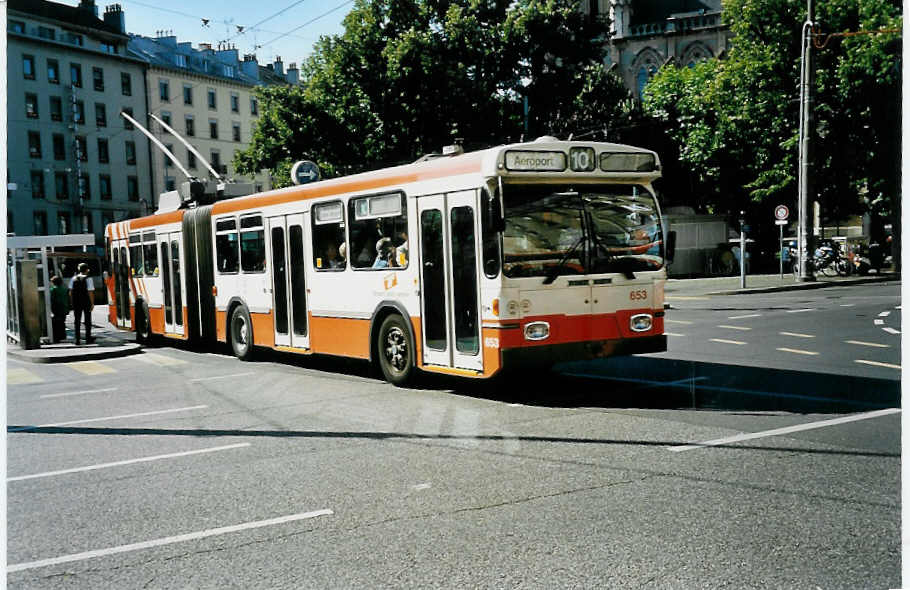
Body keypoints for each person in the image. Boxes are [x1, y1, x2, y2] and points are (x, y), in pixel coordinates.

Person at [69, 262, 95, 344]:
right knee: (87, 320)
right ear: (87, 270)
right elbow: (90, 292)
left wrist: (72, 302)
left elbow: (70, 292)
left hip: (76, 302)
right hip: (86, 301)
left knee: (77, 320)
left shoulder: (73, 278)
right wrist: (92, 303)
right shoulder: (88, 278)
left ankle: (77, 340)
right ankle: (88, 338)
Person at [49, 275, 70, 343]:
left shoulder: (53, 290)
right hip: (64, 308)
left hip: (57, 309)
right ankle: (62, 335)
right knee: (62, 322)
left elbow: (52, 300)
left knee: (56, 323)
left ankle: (57, 337)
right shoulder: (65, 288)